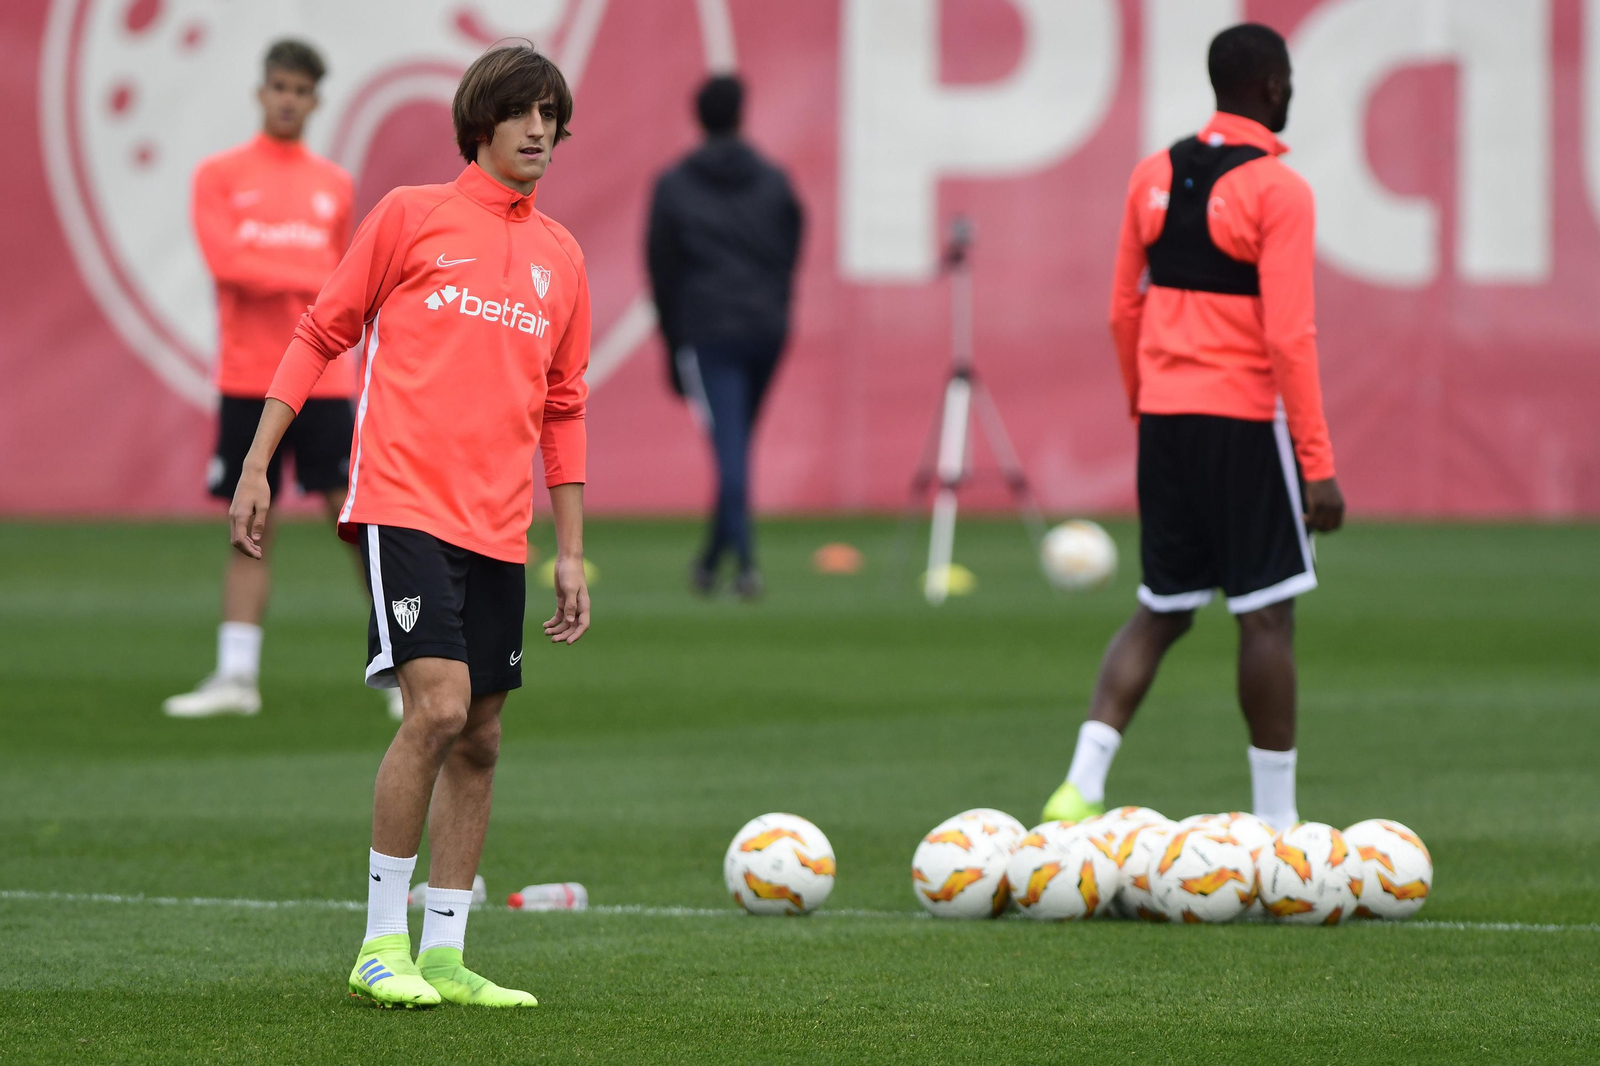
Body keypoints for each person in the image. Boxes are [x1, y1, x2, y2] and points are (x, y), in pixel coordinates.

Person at [228, 43, 591, 1009]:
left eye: (551, 115)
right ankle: (379, 945)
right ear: (480, 121)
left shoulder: (562, 256)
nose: (539, 130)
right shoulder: (409, 215)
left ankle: (446, 955)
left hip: (500, 525)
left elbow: (564, 406)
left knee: (481, 737)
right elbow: (320, 332)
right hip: (403, 502)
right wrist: (259, 462)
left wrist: (571, 550)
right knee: (435, 710)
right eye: (522, 112)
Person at [1041, 24, 1344, 832]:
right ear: (1272, 86)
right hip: (1243, 423)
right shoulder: (1279, 190)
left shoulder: (1153, 173)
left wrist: (1145, 403)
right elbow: (1290, 337)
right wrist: (1316, 464)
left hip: (1167, 421)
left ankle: (1078, 786)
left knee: (1163, 608)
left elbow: (1122, 309)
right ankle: (1277, 825)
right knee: (1266, 614)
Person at [166, 40, 384, 717]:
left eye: (301, 90)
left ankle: (404, 664)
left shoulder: (333, 184)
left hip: (324, 380)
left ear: (315, 101)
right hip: (248, 378)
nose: (289, 100)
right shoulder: (219, 175)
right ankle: (237, 677)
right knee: (249, 520)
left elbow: (341, 289)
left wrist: (303, 278)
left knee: (357, 524)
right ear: (262, 92)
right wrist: (314, 276)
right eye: (280, 87)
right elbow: (229, 266)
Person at [647, 74, 803, 599]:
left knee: (730, 447)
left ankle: (747, 566)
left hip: (708, 332)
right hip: (766, 330)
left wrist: (672, 342)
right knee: (733, 443)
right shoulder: (773, 180)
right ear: (741, 114)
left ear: (699, 118)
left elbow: (661, 269)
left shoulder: (674, 185)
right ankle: (711, 562)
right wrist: (775, 302)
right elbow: (792, 245)